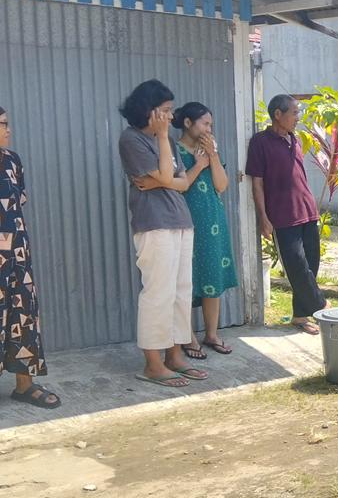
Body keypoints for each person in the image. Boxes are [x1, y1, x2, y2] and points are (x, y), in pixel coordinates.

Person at [118, 80, 210, 389]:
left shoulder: (166, 140)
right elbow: (171, 176)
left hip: (180, 221)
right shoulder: (131, 139)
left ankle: (175, 355)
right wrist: (162, 152)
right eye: (166, 111)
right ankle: (152, 364)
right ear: (149, 110)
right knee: (158, 293)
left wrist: (159, 179)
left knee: (180, 291)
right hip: (154, 223)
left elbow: (180, 183)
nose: (170, 118)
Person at [245, 94, 325, 334]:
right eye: (294, 113)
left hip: (307, 211)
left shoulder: (295, 140)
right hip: (282, 216)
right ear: (277, 115)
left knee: (312, 264)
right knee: (297, 266)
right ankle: (322, 307)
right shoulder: (260, 142)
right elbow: (257, 183)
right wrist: (263, 217)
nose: (298, 118)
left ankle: (300, 316)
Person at [0, 106, 60, 409]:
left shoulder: (12, 160)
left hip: (17, 256)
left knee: (23, 315)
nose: (9, 129)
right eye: (3, 123)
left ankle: (24, 386)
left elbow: (18, 199)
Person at [173, 102, 238, 357]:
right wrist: (198, 164)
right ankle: (187, 337)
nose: (209, 129)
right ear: (188, 123)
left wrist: (212, 156)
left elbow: (221, 186)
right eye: (205, 123)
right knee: (186, 279)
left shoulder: (210, 151)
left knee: (212, 273)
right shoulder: (174, 150)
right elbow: (179, 185)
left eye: (211, 125)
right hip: (187, 220)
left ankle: (212, 334)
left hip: (213, 219)